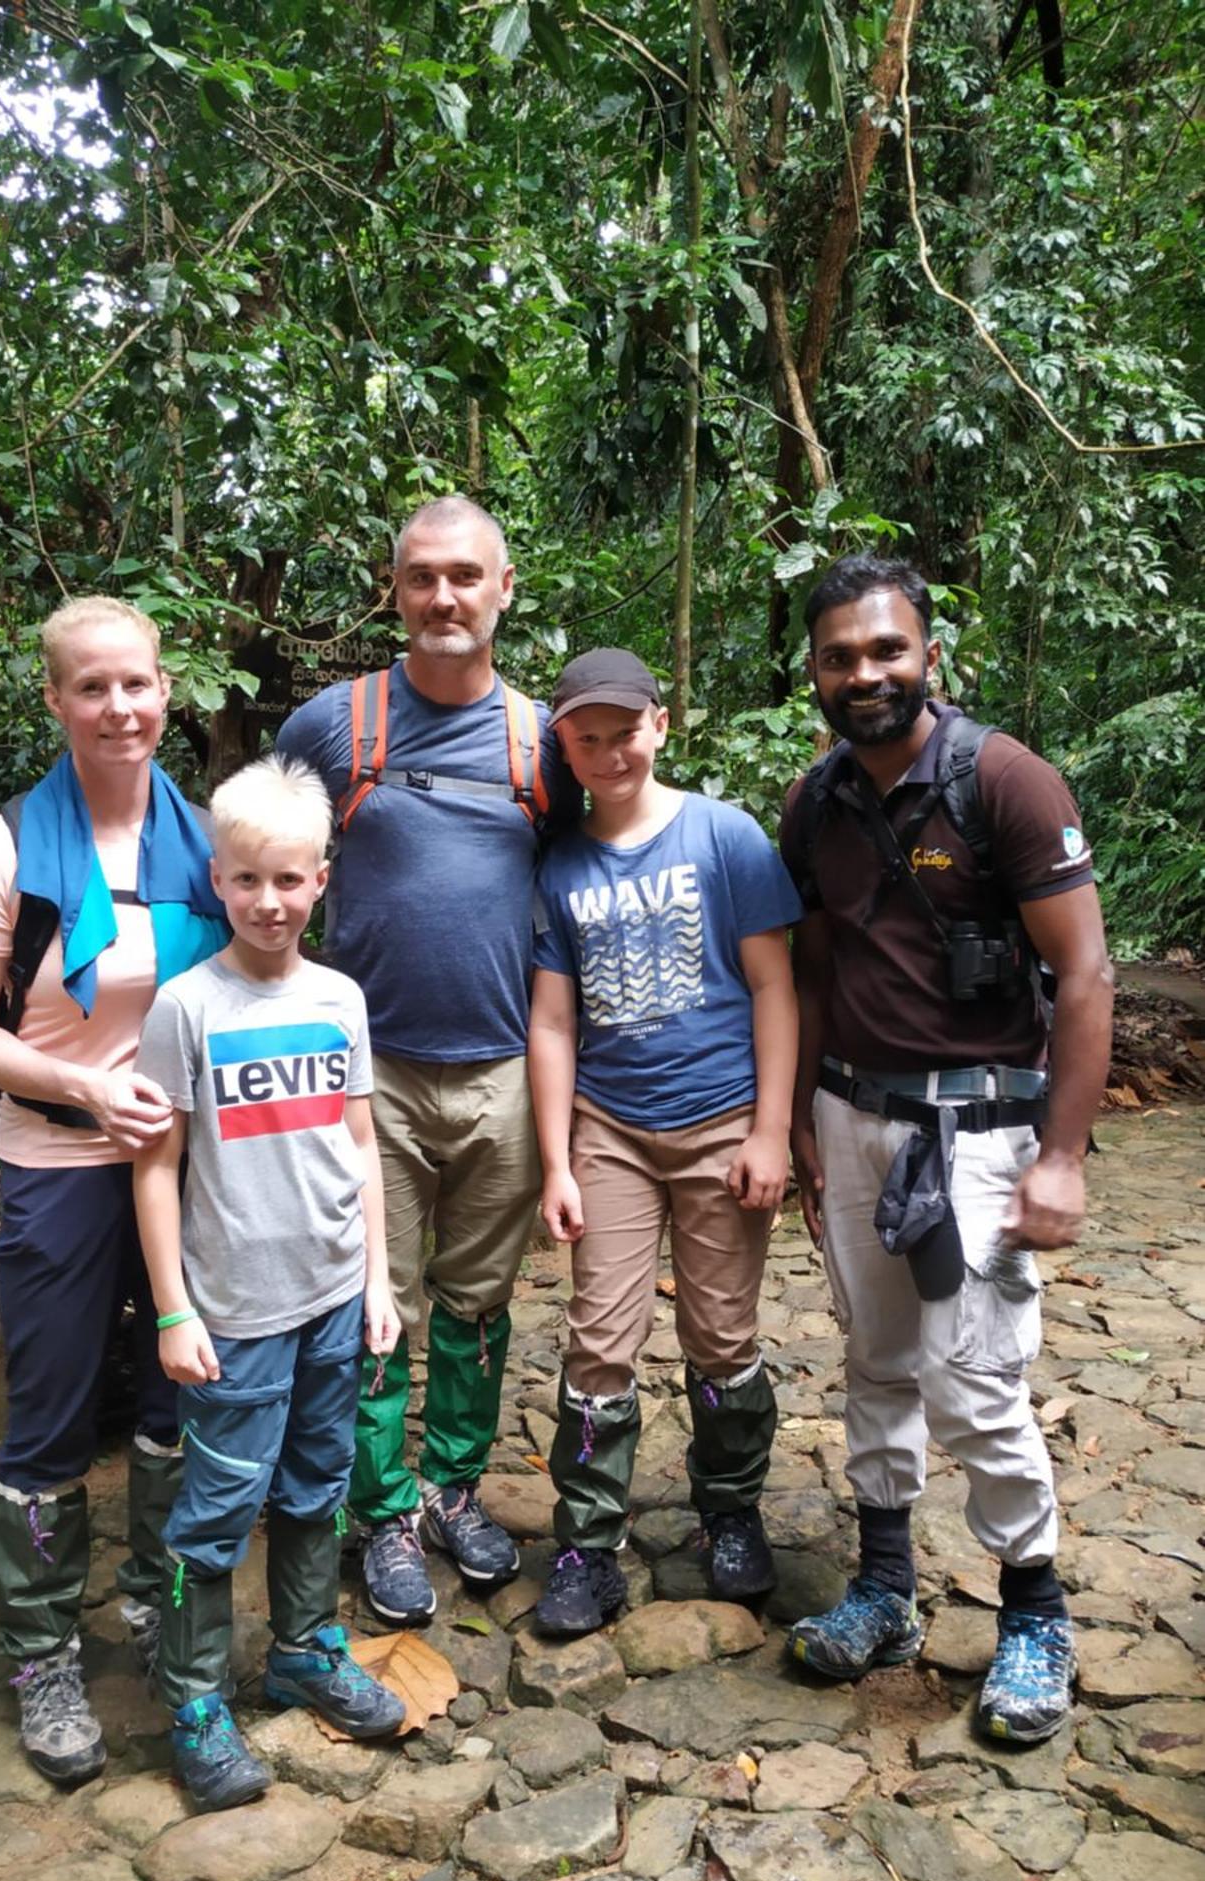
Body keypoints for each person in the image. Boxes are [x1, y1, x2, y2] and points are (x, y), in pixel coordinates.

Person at [780, 553, 1112, 1743]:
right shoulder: (817, 802)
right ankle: (884, 1581)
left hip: (974, 1127)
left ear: (928, 654)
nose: (865, 672)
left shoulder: (1004, 781)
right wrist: (804, 1124)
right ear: (813, 670)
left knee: (971, 1374)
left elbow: (1084, 971)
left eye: (887, 650)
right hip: (854, 1112)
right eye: (840, 655)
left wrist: (1061, 1154)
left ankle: (1034, 1605)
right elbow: (814, 968)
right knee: (874, 1358)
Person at [0, 595, 230, 1784]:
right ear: (55, 699)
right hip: (57, 1159)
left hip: (186, 1168)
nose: (120, 707)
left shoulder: (204, 839)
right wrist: (83, 1084)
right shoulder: (0, 849)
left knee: (174, 1398)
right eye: (92, 687)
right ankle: (44, 1643)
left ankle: (157, 1603)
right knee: (51, 1411)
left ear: (169, 690)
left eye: (138, 683)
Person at [276, 495, 579, 1624]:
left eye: (465, 575)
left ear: (504, 588)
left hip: (503, 1066)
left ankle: (453, 1484)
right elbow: (265, 869)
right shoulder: (332, 726)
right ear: (395, 590)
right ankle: (383, 1510)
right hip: (371, 1076)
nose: (443, 596)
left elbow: (570, 891)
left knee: (478, 1301)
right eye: (421, 577)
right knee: (375, 1304)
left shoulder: (541, 739)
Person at [132, 755, 405, 1811]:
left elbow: (359, 1139)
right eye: (248, 880)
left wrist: (377, 1281)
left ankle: (304, 1645)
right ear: (218, 878)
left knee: (316, 1480)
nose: (270, 901)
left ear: (322, 880)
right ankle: (195, 1699)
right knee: (215, 1507)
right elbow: (156, 1166)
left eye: (290, 879)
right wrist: (172, 1305)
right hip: (235, 1308)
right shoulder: (185, 1008)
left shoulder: (340, 996)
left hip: (334, 1291)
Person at [527, 648, 801, 1634]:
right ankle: (586, 1543)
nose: (607, 751)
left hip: (722, 1118)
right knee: (599, 1337)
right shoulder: (560, 863)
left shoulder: (725, 837)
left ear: (662, 723)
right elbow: (553, 1022)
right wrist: (557, 1158)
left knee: (721, 1333)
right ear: (564, 743)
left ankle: (729, 1509)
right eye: (585, 736)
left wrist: (772, 1130)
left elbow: (774, 983)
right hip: (611, 1128)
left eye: (624, 729)